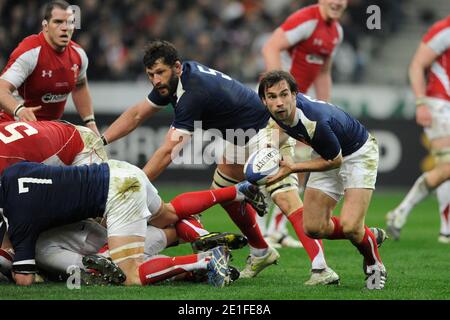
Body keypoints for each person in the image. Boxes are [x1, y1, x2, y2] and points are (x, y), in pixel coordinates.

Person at [101, 40, 340, 285]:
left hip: (266, 131)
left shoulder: (192, 93)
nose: (156, 80)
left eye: (160, 72)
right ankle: (261, 251)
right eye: (151, 74)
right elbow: (137, 113)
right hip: (240, 139)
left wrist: (133, 186)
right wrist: (102, 140)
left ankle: (322, 269)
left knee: (285, 197)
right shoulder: (176, 82)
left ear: (177, 67)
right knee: (225, 191)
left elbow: (169, 150)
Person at [0, 159, 259, 286]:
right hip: (120, 170)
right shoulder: (12, 172)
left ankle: (204, 260)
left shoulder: (21, 223)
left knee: (129, 274)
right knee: (169, 215)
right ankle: (235, 193)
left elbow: (24, 280)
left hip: (117, 195)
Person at [258, 70, 387, 290]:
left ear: (295, 94)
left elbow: (335, 161)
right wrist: (266, 155)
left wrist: (293, 168)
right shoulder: (275, 114)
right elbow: (275, 132)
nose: (279, 102)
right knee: (313, 228)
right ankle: (365, 234)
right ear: (264, 100)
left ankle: (375, 264)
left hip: (358, 154)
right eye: (272, 97)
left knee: (350, 226)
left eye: (284, 94)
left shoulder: (313, 120)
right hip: (325, 152)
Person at [260, 0, 346, 247]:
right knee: (268, 161)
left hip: (302, 109)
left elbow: (323, 72)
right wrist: (276, 94)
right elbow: (271, 47)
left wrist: (326, 110)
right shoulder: (306, 20)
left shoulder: (336, 32)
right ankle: (261, 230)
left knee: (298, 165)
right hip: (282, 107)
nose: (338, 2)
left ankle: (276, 229)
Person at [386, 16, 450, 243]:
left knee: (446, 168)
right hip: (439, 103)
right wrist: (421, 102)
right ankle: (404, 213)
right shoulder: (444, 29)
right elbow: (416, 64)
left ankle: (442, 229)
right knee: (447, 165)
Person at [0, 1, 100, 135]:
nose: (64, 28)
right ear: (45, 26)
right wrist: (20, 110)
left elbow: (80, 85)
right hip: (14, 127)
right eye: (58, 22)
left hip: (48, 131)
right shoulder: (30, 52)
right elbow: (1, 89)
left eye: (69, 22)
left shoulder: (79, 55)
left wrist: (90, 122)